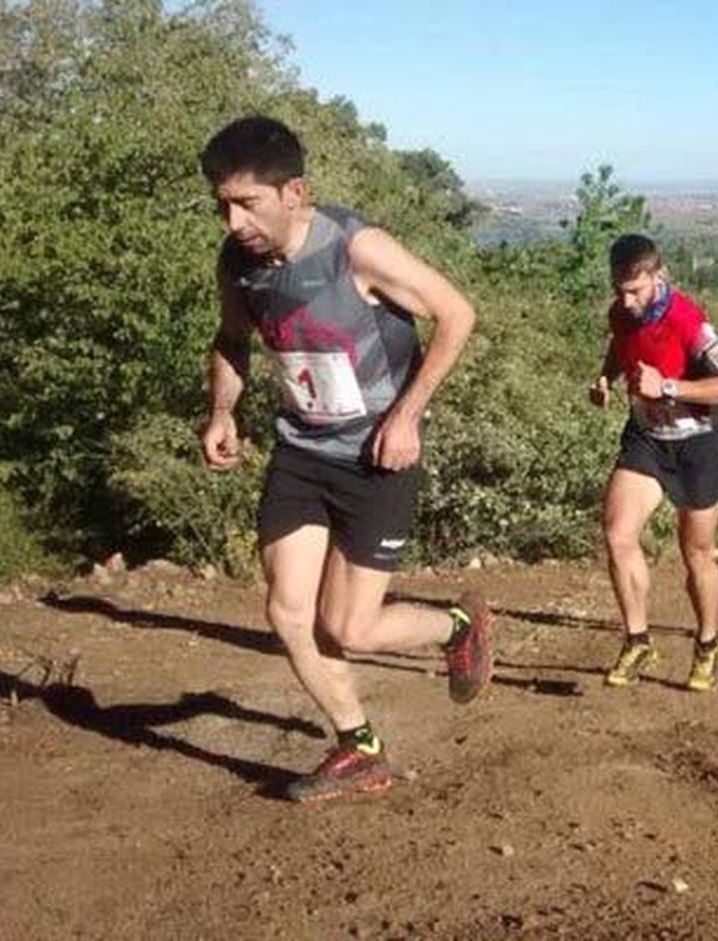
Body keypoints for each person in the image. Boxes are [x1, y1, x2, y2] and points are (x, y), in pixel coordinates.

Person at [199, 116, 493, 802]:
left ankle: (458, 624)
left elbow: (457, 313)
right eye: (222, 204)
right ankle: (359, 745)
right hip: (301, 450)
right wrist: (221, 412)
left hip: (375, 456)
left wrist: (408, 413)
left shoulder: (355, 250)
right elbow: (232, 338)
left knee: (350, 625)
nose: (232, 220)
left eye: (247, 203)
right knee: (287, 611)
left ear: (294, 191)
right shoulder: (238, 265)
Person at [589, 234, 718, 692]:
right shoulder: (621, 312)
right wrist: (605, 378)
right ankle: (637, 639)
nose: (626, 299)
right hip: (647, 440)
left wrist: (672, 388)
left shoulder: (688, 320)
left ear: (656, 276)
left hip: (697, 445)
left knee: (695, 554)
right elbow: (622, 345)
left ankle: (707, 644)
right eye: (619, 289)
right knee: (617, 533)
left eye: (635, 290)